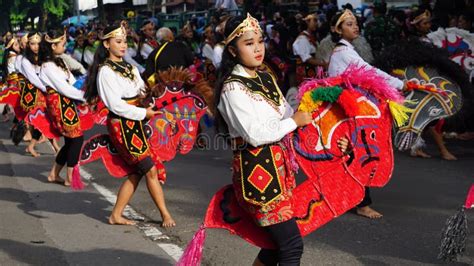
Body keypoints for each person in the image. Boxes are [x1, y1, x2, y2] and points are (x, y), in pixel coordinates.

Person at [214, 14, 348, 265]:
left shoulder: (265, 77)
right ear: (233, 50)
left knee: (275, 246)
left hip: (280, 170)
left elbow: (291, 115)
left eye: (260, 41)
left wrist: (330, 134)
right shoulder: (233, 87)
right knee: (291, 246)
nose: (258, 48)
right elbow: (254, 134)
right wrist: (294, 121)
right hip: (257, 175)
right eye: (249, 43)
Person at [84, 23, 175, 227]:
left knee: (137, 171)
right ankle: (165, 215)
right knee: (149, 168)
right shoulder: (105, 72)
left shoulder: (130, 67)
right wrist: (144, 112)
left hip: (136, 121)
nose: (124, 45)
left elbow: (142, 92)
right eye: (118, 41)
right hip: (122, 126)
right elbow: (115, 105)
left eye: (125, 41)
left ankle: (115, 214)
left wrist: (156, 99)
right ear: (106, 44)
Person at [328, 9, 405, 219]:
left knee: (352, 154)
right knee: (361, 152)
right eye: (349, 24)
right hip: (349, 112)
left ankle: (350, 199)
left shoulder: (344, 50)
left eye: (355, 23)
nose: (355, 26)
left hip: (348, 110)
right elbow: (369, 72)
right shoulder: (344, 52)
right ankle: (362, 203)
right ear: (338, 29)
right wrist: (400, 84)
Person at [39, 29, 85, 186]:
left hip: (67, 102)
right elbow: (64, 88)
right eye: (63, 44)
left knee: (71, 140)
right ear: (53, 46)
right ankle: (70, 177)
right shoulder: (47, 66)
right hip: (59, 104)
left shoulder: (60, 61)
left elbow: (72, 82)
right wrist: (83, 96)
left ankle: (54, 174)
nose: (65, 47)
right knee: (77, 138)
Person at [20, 31, 61, 156]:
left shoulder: (44, 57)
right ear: (28, 45)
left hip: (45, 91)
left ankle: (53, 146)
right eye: (32, 44)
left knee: (48, 119)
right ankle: (39, 146)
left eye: (38, 44)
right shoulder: (25, 60)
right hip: (35, 93)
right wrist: (47, 88)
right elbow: (33, 79)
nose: (35, 47)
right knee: (42, 119)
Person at [292, 13, 328, 85]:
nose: (316, 23)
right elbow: (307, 58)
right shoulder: (302, 39)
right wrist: (324, 64)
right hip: (307, 70)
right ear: (307, 22)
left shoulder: (310, 37)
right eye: (314, 20)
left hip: (312, 69)